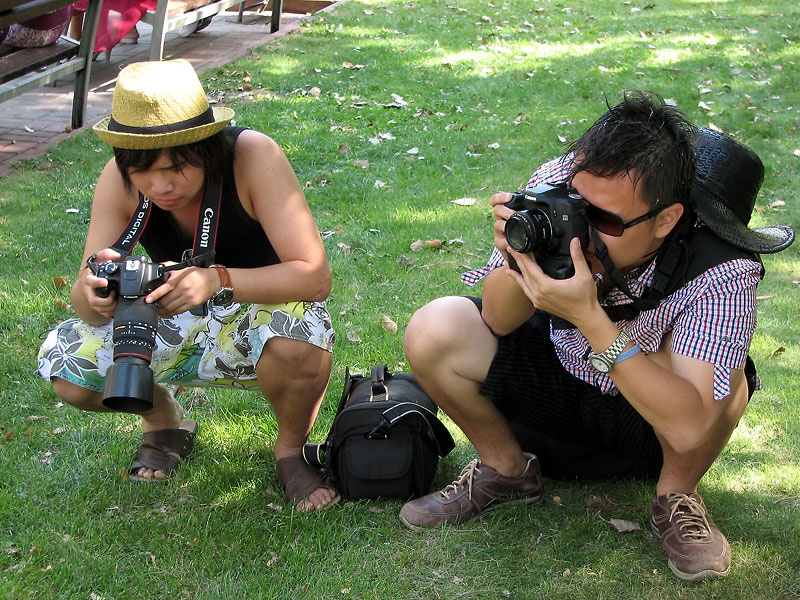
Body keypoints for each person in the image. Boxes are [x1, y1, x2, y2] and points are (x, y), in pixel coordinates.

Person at [398, 92, 795, 581]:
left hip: (650, 424)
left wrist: (591, 319)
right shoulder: (557, 187)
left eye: (604, 220)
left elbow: (690, 428)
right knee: (436, 327)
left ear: (666, 219)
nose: (582, 227)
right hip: (554, 390)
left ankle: (676, 496)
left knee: (726, 381)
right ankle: (506, 471)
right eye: (578, 204)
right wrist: (519, 260)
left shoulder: (723, 269)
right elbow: (498, 320)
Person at [37, 59, 339, 512]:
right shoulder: (118, 178)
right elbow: (86, 294)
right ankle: (164, 421)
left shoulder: (252, 157)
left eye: (178, 166)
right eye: (143, 170)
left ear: (208, 147)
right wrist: (91, 294)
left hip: (262, 311)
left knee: (300, 339)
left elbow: (315, 276)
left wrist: (217, 279)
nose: (161, 185)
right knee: (67, 368)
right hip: (168, 315)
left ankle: (290, 451)